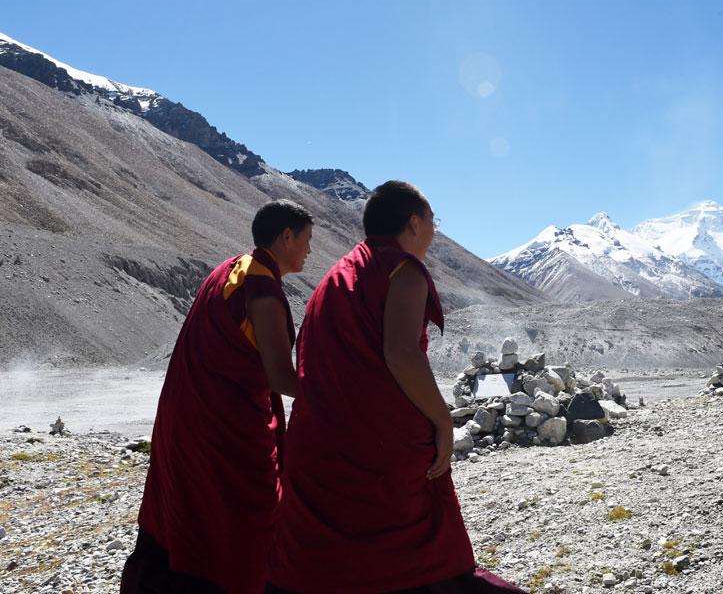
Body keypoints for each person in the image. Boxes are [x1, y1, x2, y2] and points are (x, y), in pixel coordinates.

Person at [266, 181, 523, 593]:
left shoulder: (335, 277)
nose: (435, 231)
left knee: (324, 563)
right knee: (418, 560)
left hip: (318, 448)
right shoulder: (403, 270)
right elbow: (402, 355)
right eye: (434, 221)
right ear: (414, 223)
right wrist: (443, 422)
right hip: (381, 452)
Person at [121, 199, 313, 594]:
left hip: (187, 418)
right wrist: (335, 390)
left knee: (190, 512)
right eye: (307, 240)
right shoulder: (262, 290)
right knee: (247, 518)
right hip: (225, 431)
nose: (310, 250)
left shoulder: (233, 269)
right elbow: (280, 377)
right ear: (286, 236)